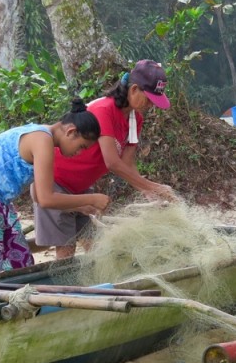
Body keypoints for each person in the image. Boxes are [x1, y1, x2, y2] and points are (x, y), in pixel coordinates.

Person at [33, 59, 177, 260]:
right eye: (150, 98)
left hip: (81, 187)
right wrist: (153, 187)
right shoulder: (104, 109)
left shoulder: (136, 120)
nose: (152, 105)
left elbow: (127, 163)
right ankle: (63, 290)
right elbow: (112, 162)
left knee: (97, 245)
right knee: (66, 251)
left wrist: (146, 190)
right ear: (134, 89)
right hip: (56, 183)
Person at [0, 99, 110, 277]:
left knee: (19, 260)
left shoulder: (45, 140)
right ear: (71, 132)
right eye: (81, 146)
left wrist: (78, 206)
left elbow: (38, 196)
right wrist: (92, 198)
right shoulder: (42, 140)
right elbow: (46, 198)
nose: (79, 153)